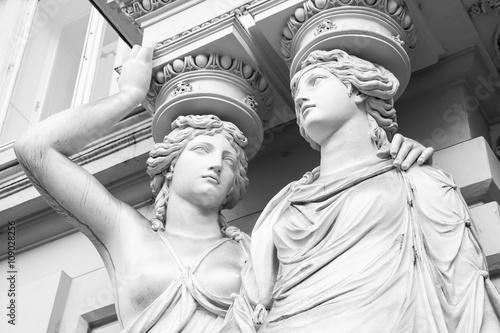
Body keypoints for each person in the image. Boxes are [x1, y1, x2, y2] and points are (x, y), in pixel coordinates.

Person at [13, 44, 433, 332]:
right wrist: (129, 96)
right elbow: (35, 148)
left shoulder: (260, 244)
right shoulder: (125, 233)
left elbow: (342, 261)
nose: (218, 162)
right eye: (202, 150)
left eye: (230, 159)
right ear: (170, 166)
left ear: (237, 183)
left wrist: (392, 161)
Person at [223, 49, 500, 332]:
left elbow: (465, 288)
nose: (301, 98)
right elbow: (249, 305)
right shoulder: (283, 204)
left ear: (355, 90)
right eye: (295, 97)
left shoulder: (417, 180)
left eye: (315, 81)